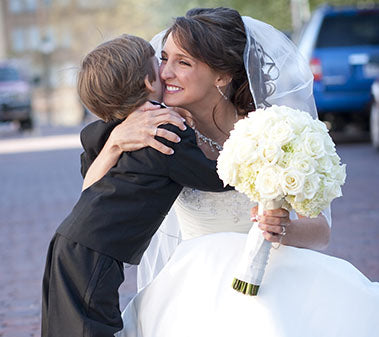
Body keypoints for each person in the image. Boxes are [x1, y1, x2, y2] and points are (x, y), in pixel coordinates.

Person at [81, 8, 378, 337]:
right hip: (196, 290)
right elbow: (91, 206)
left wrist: (282, 230)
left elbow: (321, 231)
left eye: (183, 62)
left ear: (222, 75)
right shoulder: (158, 132)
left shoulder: (276, 131)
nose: (164, 73)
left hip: (279, 279)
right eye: (164, 59)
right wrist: (114, 145)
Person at [41, 34, 232, 337]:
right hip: (96, 251)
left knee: (65, 328)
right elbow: (214, 178)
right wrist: (251, 161)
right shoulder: (164, 130)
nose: (166, 71)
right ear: (147, 82)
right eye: (160, 63)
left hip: (71, 242)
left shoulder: (109, 129)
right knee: (91, 328)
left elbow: (89, 167)